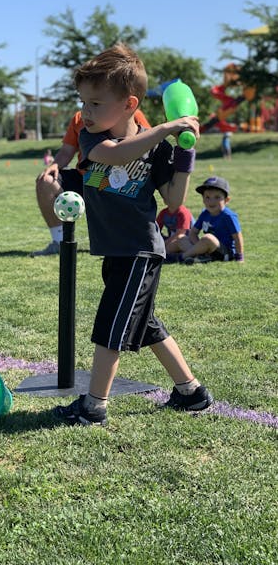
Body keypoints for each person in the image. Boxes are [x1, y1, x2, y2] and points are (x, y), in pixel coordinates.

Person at [52, 43, 213, 426]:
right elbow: (113, 158)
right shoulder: (94, 139)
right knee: (147, 325)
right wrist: (62, 179)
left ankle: (94, 406)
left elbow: (173, 201)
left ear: (128, 104)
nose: (85, 112)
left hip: (141, 251)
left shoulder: (156, 148)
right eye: (83, 103)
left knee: (111, 326)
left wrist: (183, 154)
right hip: (116, 251)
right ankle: (192, 393)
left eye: (94, 103)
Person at [32, 107, 150, 257]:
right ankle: (58, 241)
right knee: (45, 181)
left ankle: (119, 244)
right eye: (84, 100)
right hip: (86, 177)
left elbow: (148, 141)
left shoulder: (130, 112)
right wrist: (54, 164)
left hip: (116, 179)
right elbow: (67, 151)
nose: (87, 106)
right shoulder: (79, 118)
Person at [166, 176, 244, 264]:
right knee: (181, 238)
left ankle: (180, 257)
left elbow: (238, 237)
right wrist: (199, 246)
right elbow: (193, 233)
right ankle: (165, 254)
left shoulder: (228, 216)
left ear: (226, 200)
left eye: (217, 197)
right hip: (207, 248)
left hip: (224, 253)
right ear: (203, 199)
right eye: (207, 197)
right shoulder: (205, 213)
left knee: (208, 238)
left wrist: (239, 257)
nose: (211, 201)